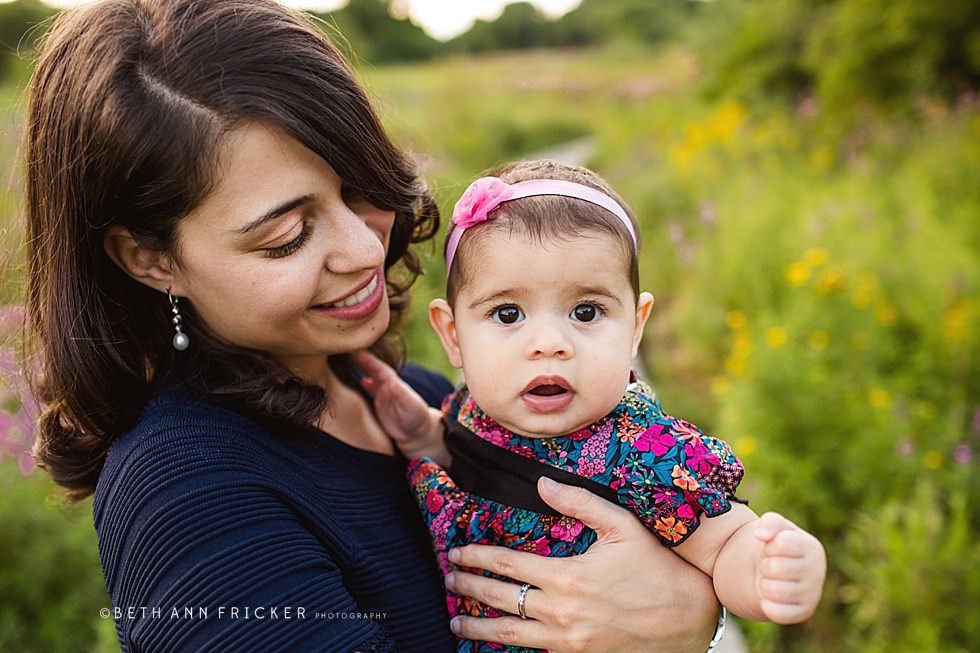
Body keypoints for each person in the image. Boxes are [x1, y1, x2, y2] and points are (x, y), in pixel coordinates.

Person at [21, 1, 724, 651]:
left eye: (361, 188)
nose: (365, 250)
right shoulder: (184, 495)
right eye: (288, 236)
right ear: (150, 257)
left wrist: (688, 607)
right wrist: (669, 623)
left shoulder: (411, 398)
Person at [358, 160, 827, 651]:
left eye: (586, 312)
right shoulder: (473, 414)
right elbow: (473, 461)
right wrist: (425, 438)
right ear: (453, 336)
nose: (548, 343)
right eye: (507, 313)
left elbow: (725, 543)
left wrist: (765, 569)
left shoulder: (645, 452)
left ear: (635, 327)